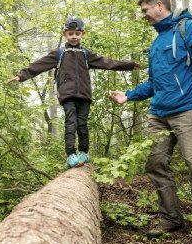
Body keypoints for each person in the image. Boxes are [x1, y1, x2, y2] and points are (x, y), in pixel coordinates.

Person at [109, 0, 192, 244]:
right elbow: (155, 82)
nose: (144, 15)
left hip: (189, 110)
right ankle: (171, 218)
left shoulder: (191, 29)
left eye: (146, 10)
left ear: (159, 6)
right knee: (156, 162)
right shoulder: (158, 41)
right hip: (159, 113)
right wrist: (130, 95)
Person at [9, 17, 140, 169]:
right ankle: (71, 155)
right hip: (68, 96)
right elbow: (39, 64)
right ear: (65, 33)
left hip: (84, 96)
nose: (74, 37)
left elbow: (107, 62)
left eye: (77, 34)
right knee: (71, 123)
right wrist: (21, 75)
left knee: (83, 125)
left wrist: (129, 65)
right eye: (70, 34)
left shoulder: (86, 54)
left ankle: (84, 153)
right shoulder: (59, 54)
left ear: (82, 34)